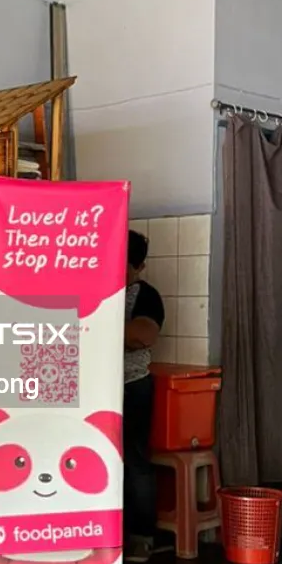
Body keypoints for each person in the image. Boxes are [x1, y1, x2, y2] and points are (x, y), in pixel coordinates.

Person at [122, 230, 164, 545]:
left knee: (135, 461)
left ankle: (141, 537)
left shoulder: (146, 295)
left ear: (139, 267)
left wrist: (94, 323)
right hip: (90, 388)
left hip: (131, 387)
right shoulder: (90, 287)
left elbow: (142, 336)